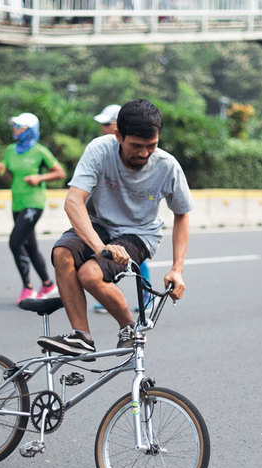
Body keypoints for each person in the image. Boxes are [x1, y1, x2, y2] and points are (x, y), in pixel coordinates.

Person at [37, 99, 194, 355]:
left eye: (151, 146)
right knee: (62, 253)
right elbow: (74, 201)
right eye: (136, 146)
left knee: (89, 274)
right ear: (118, 135)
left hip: (139, 233)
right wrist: (100, 248)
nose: (143, 153)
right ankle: (81, 337)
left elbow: (182, 214)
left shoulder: (167, 166)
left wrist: (177, 269)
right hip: (100, 224)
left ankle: (129, 328)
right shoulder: (100, 150)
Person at [0, 112, 65, 303]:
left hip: (34, 202)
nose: (14, 130)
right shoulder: (10, 150)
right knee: (30, 246)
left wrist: (40, 178)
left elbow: (60, 172)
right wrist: (2, 171)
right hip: (17, 202)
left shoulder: (40, 152)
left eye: (19, 127)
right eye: (14, 126)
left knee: (15, 242)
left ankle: (27, 287)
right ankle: (48, 283)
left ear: (30, 130)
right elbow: (9, 178)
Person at [92, 103, 152, 314]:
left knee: (135, 259)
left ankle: (146, 295)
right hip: (107, 216)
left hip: (131, 217)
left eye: (106, 124)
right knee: (108, 256)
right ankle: (109, 295)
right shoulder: (101, 149)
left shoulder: (138, 154)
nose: (103, 128)